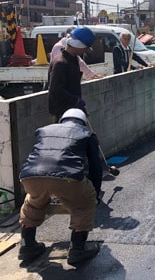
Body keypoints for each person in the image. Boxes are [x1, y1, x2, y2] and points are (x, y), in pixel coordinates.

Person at [18, 108, 103, 265]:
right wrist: (95, 195)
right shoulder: (87, 134)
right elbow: (95, 168)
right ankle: (78, 249)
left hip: (30, 176)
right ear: (83, 122)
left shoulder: (43, 130)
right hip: (67, 177)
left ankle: (27, 246)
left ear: (62, 120)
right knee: (84, 205)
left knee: (32, 203)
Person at [47, 26, 96, 121]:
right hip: (62, 113)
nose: (84, 51)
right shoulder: (60, 63)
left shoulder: (73, 60)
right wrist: (76, 101)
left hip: (72, 110)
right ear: (79, 45)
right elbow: (56, 90)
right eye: (85, 48)